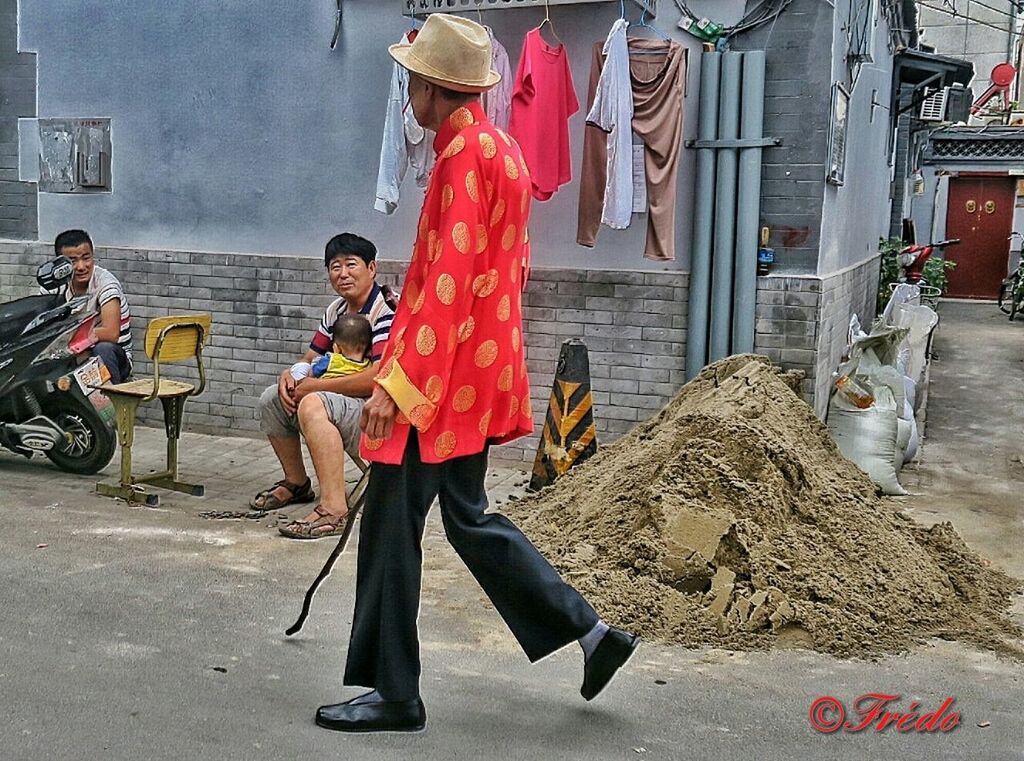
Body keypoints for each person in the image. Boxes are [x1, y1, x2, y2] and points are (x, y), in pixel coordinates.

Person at [313, 15, 639, 734]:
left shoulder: (463, 157)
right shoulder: (505, 151)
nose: (409, 96)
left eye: (411, 84)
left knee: (393, 533)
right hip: (474, 377)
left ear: (431, 88)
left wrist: (394, 389)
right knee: (469, 518)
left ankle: (395, 693)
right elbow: (502, 278)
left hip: (435, 384)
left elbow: (447, 286)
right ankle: (591, 633)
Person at [251, 233, 395, 540]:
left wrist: (312, 387)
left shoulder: (386, 310)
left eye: (351, 265)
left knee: (312, 401)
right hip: (343, 401)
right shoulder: (336, 311)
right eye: (335, 266)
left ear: (372, 268)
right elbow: (311, 357)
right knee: (272, 399)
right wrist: (290, 375)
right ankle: (297, 483)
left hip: (378, 413)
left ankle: (333, 508)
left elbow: (379, 376)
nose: (342, 274)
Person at [43, 229, 133, 384]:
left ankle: (113, 404)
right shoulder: (52, 287)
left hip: (112, 356)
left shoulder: (105, 284)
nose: (81, 266)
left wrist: (63, 335)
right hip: (68, 353)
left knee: (103, 349)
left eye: (86, 258)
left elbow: (111, 333)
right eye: (72, 261)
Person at [289, 314, 372, 382]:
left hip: (324, 393)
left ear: (337, 347)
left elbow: (311, 373)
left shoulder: (331, 360)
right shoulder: (368, 366)